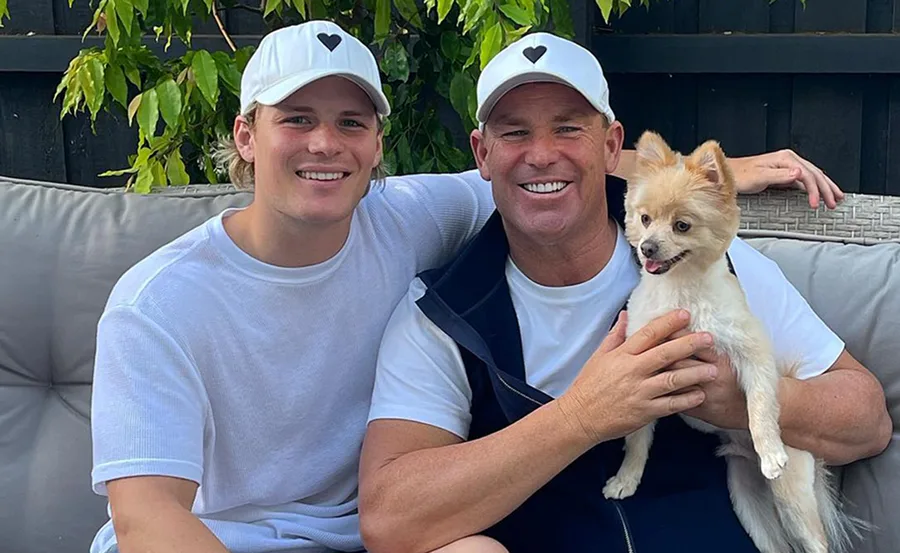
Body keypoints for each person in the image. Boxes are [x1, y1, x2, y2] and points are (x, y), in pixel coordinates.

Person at [88, 19, 851, 553]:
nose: (326, 143)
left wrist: (718, 182)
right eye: (296, 118)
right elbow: (150, 520)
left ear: (377, 145)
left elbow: (558, 173)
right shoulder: (159, 303)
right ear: (247, 135)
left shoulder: (411, 214)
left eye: (351, 122)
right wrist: (586, 412)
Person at [357, 31, 892, 553]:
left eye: (568, 129)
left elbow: (867, 419)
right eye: (515, 133)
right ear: (482, 154)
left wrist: (739, 401)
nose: (541, 155)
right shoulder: (443, 314)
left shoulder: (716, 263)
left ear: (612, 146)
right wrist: (581, 417)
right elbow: (388, 519)